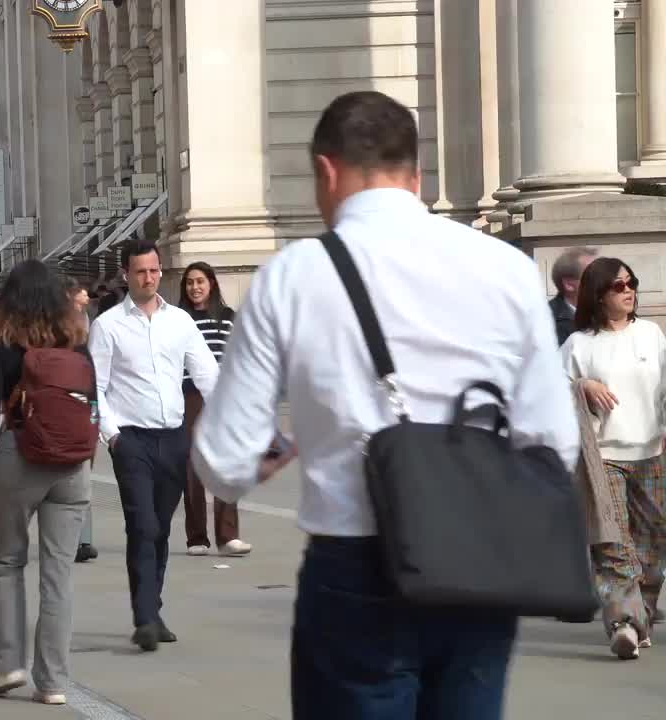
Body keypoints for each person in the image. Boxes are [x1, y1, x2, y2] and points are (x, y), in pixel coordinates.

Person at [191, 90, 578, 719]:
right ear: (416, 173)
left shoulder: (292, 275)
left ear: (326, 170)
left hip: (356, 562)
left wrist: (271, 454)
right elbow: (554, 441)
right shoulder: (505, 268)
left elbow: (224, 461)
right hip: (480, 559)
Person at [89, 238, 219, 652]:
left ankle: (153, 608)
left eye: (154, 271)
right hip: (132, 442)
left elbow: (208, 374)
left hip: (174, 439)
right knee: (142, 524)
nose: (149, 278)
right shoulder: (107, 326)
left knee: (160, 528)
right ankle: (144, 617)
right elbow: (95, 388)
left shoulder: (180, 322)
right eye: (141, 272)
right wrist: (112, 436)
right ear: (126, 275)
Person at [0, 261, 93, 706]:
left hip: (20, 457)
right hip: (71, 465)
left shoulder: (2, 345)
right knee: (58, 574)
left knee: (6, 561)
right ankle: (53, 682)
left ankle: (8, 663)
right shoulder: (75, 341)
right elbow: (91, 401)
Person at [561, 257, 666, 659]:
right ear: (599, 294)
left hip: (652, 452)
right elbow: (552, 384)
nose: (629, 291)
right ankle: (624, 623)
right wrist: (582, 384)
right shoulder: (579, 344)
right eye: (619, 285)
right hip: (603, 456)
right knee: (612, 542)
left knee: (652, 547)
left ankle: (642, 614)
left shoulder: (651, 334)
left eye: (631, 282)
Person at [177, 262, 250, 557]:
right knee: (193, 466)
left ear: (211, 284)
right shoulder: (178, 319)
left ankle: (228, 536)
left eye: (200, 281)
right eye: (189, 282)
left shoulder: (228, 317)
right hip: (190, 396)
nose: (195, 287)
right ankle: (197, 537)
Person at [66, 279, 98, 564]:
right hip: (60, 424)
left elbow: (94, 388)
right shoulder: (45, 348)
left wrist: (95, 419)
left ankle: (82, 540)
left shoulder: (82, 350)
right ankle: (73, 539)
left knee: (82, 479)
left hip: (82, 421)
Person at [550, 246, 598, 345]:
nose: (604, 280)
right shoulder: (547, 321)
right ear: (569, 284)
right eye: (594, 275)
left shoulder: (609, 312)